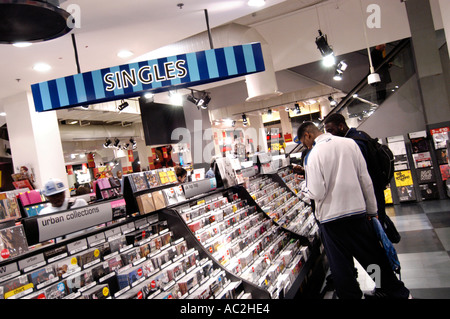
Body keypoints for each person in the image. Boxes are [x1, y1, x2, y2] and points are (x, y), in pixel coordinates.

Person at [298, 121, 410, 299]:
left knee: (341, 266)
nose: (305, 145)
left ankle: (351, 296)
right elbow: (365, 180)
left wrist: (304, 189)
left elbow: (316, 192)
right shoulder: (350, 144)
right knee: (372, 257)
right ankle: (394, 291)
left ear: (308, 135)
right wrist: (372, 212)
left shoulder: (313, 155)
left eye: (303, 141)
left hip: (331, 220)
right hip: (358, 213)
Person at [323, 113, 388, 226]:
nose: (329, 135)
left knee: (375, 229)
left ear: (341, 126)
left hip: (370, 195)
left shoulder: (353, 143)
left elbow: (361, 175)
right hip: (375, 191)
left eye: (331, 130)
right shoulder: (360, 135)